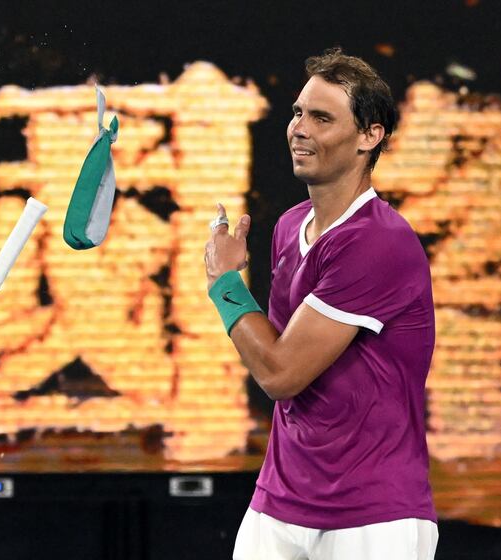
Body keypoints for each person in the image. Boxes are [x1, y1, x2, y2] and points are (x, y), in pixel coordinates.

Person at [204, 48, 438, 560]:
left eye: (322, 117)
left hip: (374, 518)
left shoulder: (379, 243)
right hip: (278, 505)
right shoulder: (290, 226)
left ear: (369, 136)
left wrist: (225, 284)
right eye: (297, 113)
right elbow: (279, 349)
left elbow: (281, 372)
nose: (299, 129)